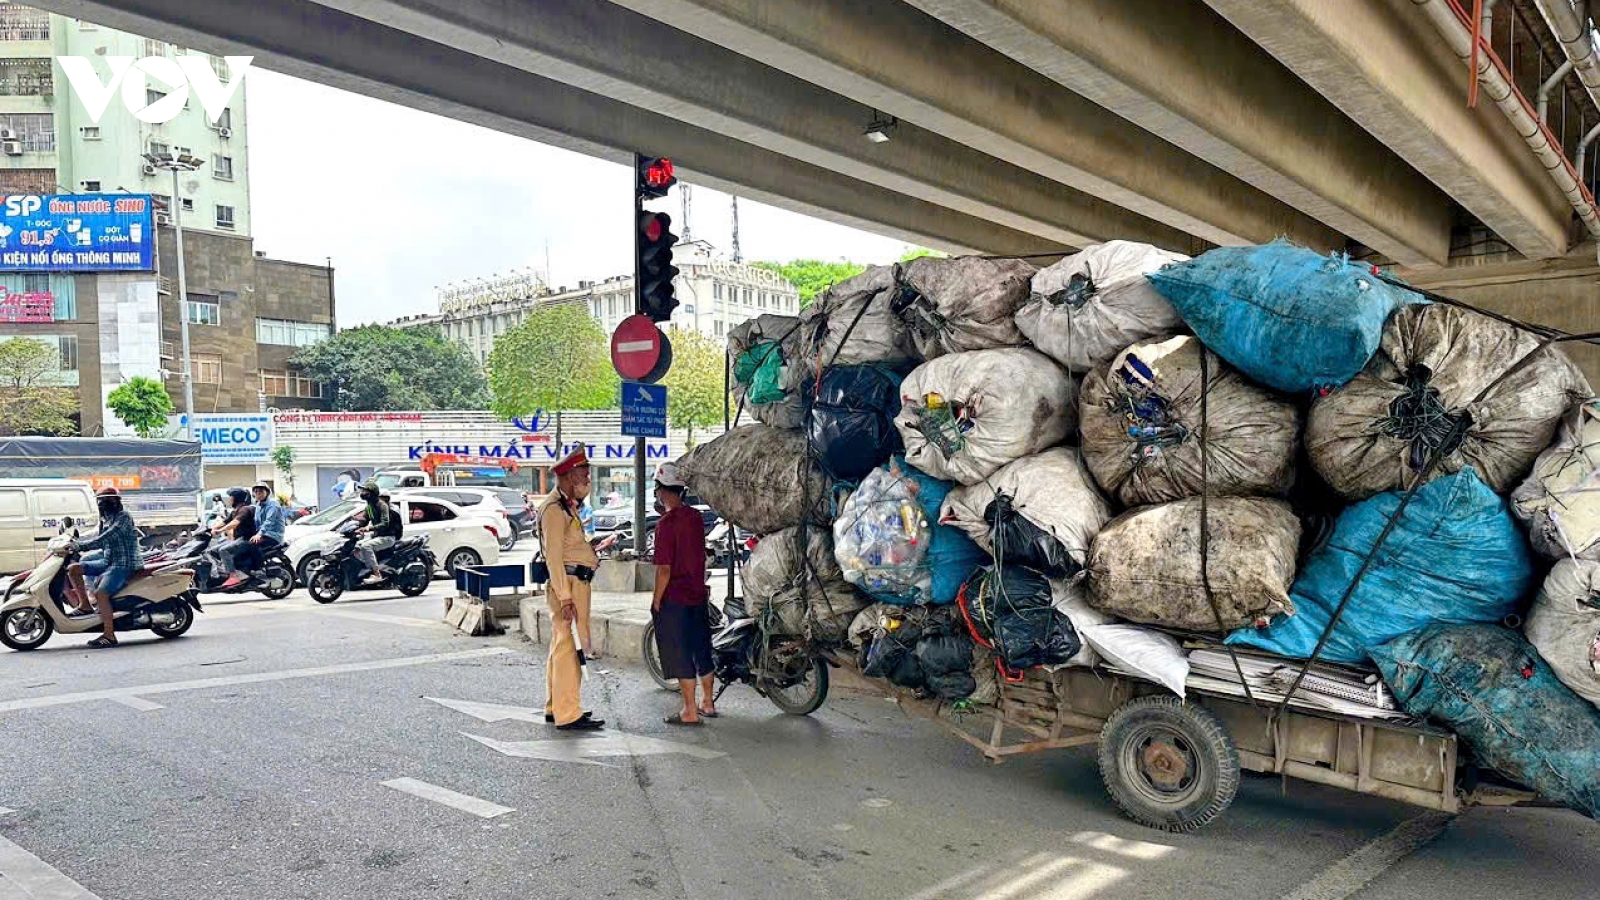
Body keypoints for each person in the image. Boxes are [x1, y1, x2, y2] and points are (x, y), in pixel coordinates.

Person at [538, 447, 604, 731]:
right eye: (583, 474)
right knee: (568, 647)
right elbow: (553, 556)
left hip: (575, 580)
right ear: (567, 477)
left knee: (561, 644)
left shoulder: (566, 506)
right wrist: (565, 597)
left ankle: (557, 706)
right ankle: (568, 712)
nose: (588, 479)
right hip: (569, 584)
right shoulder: (554, 509)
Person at [649, 462, 714, 725]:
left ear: (662, 492)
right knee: (702, 647)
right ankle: (707, 702)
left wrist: (656, 599)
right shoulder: (696, 518)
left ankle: (689, 710)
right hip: (698, 594)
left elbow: (664, 569)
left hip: (675, 597)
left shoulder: (666, 525)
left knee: (681, 651)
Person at [66, 487, 141, 648]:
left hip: (123, 563)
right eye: (102, 500)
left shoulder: (123, 518)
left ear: (117, 501)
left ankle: (109, 635)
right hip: (108, 560)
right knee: (74, 569)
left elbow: (104, 538)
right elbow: (96, 535)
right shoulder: (106, 518)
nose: (105, 504)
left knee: (101, 594)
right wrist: (72, 541)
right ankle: (85, 606)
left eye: (109, 500)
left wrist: (79, 546)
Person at [353, 479, 401, 584]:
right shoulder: (369, 507)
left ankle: (376, 574)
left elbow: (385, 523)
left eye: (365, 492)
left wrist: (368, 529)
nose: (362, 494)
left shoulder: (382, 505)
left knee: (366, 546)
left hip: (387, 537)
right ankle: (366, 570)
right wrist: (353, 526)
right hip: (377, 536)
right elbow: (363, 521)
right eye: (362, 492)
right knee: (356, 547)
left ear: (372, 493)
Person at [211, 487, 257, 589]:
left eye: (231, 497)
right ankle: (226, 571)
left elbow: (235, 523)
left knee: (224, 550)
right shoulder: (234, 511)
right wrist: (210, 528)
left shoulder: (244, 509)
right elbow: (224, 522)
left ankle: (233, 575)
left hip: (247, 539)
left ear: (236, 498)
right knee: (213, 550)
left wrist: (220, 531)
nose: (229, 499)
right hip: (238, 539)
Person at [249, 483, 285, 563]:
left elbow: (269, 521)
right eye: (256, 491)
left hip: (273, 535)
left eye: (261, 491)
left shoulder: (273, 504)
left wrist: (259, 534)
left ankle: (259, 568)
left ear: (267, 492)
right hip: (265, 534)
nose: (258, 493)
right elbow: (257, 522)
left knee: (252, 544)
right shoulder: (258, 505)